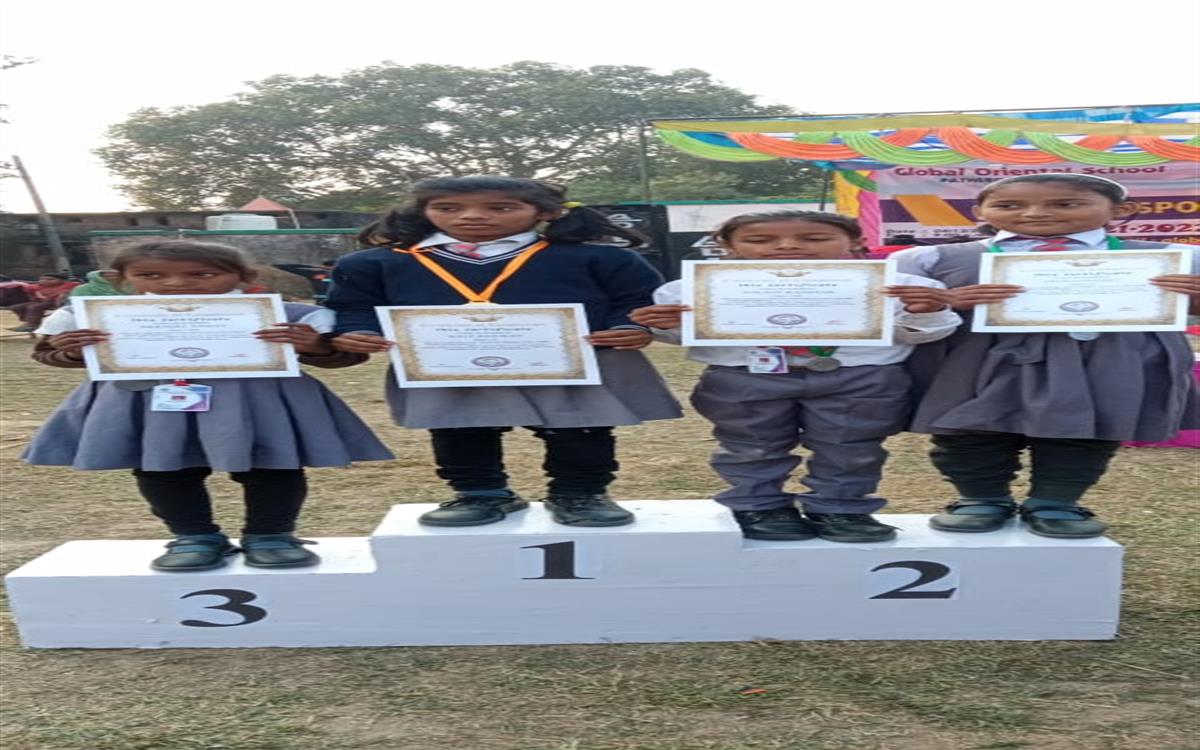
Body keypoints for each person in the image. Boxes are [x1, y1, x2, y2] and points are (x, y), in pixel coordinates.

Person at [327, 176, 682, 528]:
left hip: (578, 363)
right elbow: (354, 307)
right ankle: (481, 494)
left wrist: (630, 327)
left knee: (581, 430)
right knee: (460, 429)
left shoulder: (601, 258)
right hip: (448, 366)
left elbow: (637, 300)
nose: (471, 216)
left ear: (547, 212)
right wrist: (358, 332)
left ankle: (580, 493)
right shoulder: (374, 263)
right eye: (447, 208)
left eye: (501, 208)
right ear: (423, 211)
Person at [23, 240, 394, 571]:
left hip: (258, 402)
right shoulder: (94, 314)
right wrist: (72, 350)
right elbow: (47, 353)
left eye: (202, 274)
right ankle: (194, 536)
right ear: (123, 278)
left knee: (273, 464)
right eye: (150, 275)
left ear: (244, 277)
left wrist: (314, 345)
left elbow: (341, 355)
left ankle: (271, 535)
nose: (175, 283)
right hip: (149, 402)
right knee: (162, 468)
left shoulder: (286, 314)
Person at [893, 173, 1199, 538]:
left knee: (1085, 427)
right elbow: (897, 314)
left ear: (1120, 210)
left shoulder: (1175, 258)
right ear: (979, 211)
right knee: (967, 426)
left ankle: (1055, 502)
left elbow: (1191, 310)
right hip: (976, 358)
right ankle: (980, 498)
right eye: (1009, 205)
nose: (1035, 214)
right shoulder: (929, 259)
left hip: (1107, 357)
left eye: (1066, 204)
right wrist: (944, 301)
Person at [630, 210, 960, 542]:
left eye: (815, 238)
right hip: (744, 375)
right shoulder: (691, 289)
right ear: (727, 245)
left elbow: (922, 334)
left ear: (855, 241)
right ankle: (759, 506)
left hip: (860, 377)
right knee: (751, 444)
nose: (787, 246)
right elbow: (681, 336)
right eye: (760, 240)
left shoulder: (901, 286)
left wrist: (926, 313)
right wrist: (666, 326)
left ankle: (841, 508)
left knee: (851, 446)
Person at [6, 273, 80, 332]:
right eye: (41, 279)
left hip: (56, 302)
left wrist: (63, 296)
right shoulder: (36, 286)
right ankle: (29, 321)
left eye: (50, 279)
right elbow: (28, 290)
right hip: (41, 301)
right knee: (16, 307)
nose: (44, 281)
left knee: (34, 307)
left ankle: (32, 325)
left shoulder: (69, 285)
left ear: (62, 280)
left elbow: (66, 294)